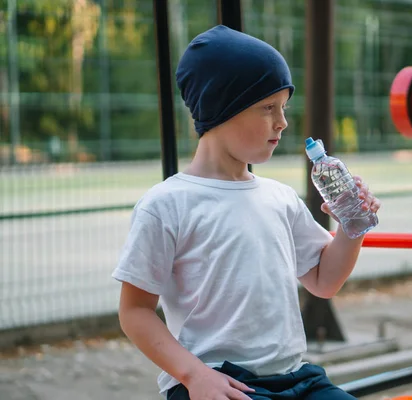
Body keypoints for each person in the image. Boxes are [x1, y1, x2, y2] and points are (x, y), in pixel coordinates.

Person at [112, 25, 381, 400]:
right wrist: (194, 376)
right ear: (222, 108)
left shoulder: (280, 197)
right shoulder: (166, 205)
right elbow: (135, 312)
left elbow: (324, 281)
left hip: (297, 379)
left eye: (283, 107)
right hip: (218, 382)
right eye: (267, 107)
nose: (282, 122)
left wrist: (352, 227)